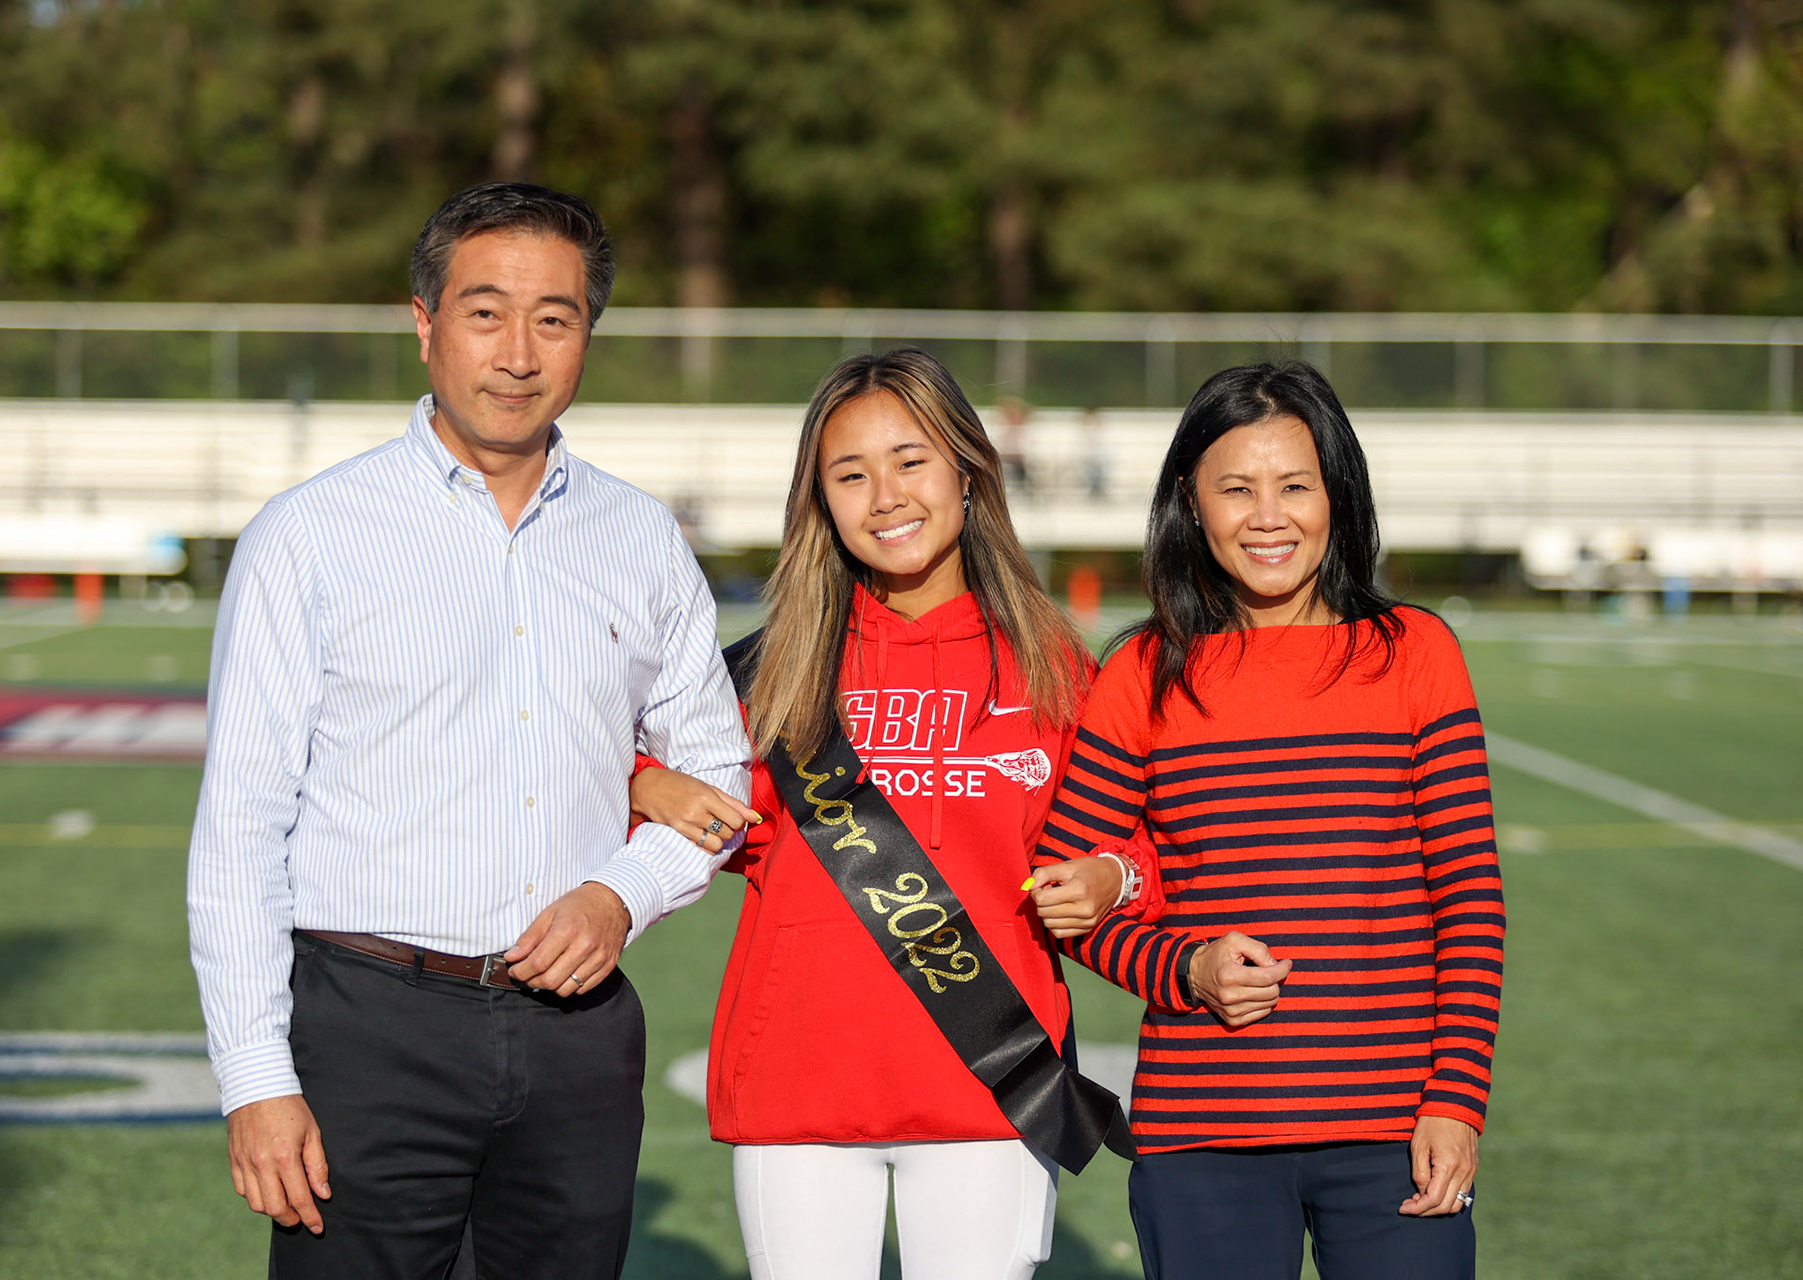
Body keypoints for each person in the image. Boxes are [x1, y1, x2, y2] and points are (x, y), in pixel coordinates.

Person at [186, 182, 750, 1280]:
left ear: (589, 332)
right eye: (486, 311)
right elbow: (243, 825)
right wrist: (257, 1078)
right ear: (424, 321)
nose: (519, 352)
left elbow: (714, 769)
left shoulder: (639, 538)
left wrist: (618, 893)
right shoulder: (310, 536)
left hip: (578, 1033)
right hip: (368, 1024)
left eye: (557, 317)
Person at [630, 347, 1136, 1280]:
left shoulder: (1059, 668)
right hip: (798, 1086)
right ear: (819, 502)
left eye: (911, 460)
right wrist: (639, 782)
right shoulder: (759, 673)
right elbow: (592, 786)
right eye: (849, 475)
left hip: (994, 1085)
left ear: (969, 471)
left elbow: (1129, 845)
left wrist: (1113, 877)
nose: (885, 496)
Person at [1035, 362, 1505, 1280]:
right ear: (1190, 501)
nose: (1268, 516)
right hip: (1201, 1138)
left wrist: (1456, 1099)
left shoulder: (1416, 654)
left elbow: (1470, 897)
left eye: (1296, 485)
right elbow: (1066, 894)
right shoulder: (1141, 671)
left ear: (1339, 493)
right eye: (1235, 489)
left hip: (1394, 1132)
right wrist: (1187, 969)